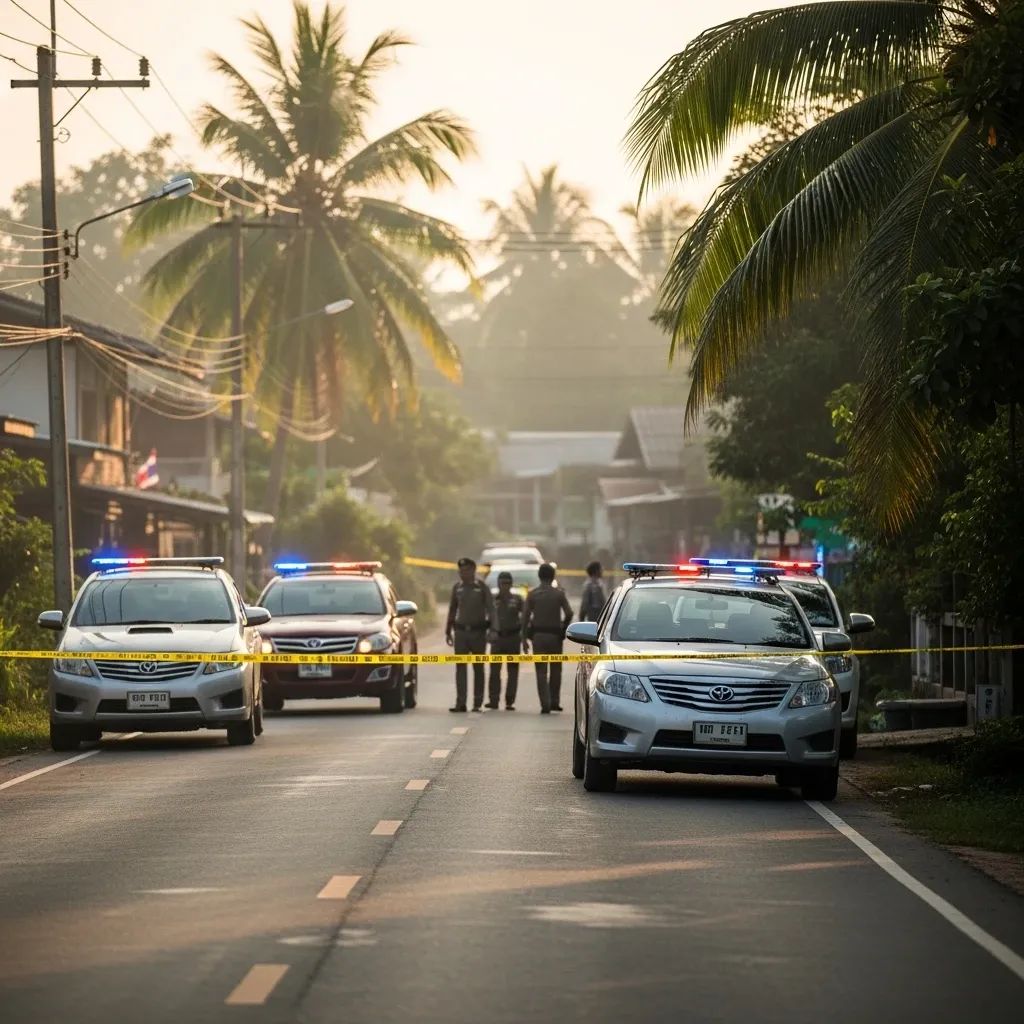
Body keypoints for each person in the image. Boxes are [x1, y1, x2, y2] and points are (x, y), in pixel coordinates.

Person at [521, 562, 573, 713]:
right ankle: (555, 701)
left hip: (538, 637)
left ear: (539, 576)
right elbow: (569, 613)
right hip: (555, 637)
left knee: (541, 672)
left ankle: (545, 704)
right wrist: (563, 628)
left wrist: (524, 638)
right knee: (556, 670)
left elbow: (525, 617)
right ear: (553, 576)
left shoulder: (532, 594)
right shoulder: (558, 594)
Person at [445, 557, 495, 712]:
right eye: (461, 571)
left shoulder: (481, 587)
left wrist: (493, 630)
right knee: (460, 668)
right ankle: (461, 702)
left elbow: (491, 609)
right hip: (460, 633)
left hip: (478, 633)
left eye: (466, 570)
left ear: (473, 571)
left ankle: (477, 702)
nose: (463, 574)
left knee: (478, 668)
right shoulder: (457, 588)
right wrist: (448, 630)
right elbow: (452, 609)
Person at [486, 570, 524, 710]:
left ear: (511, 584)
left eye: (508, 583)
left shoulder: (518, 599)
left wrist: (524, 635)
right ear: (498, 584)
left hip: (513, 637)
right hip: (498, 638)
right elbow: (487, 617)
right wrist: (489, 633)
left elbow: (525, 617)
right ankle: (493, 700)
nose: (505, 586)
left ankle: (509, 701)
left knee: (512, 671)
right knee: (495, 671)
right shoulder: (493, 600)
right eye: (503, 583)